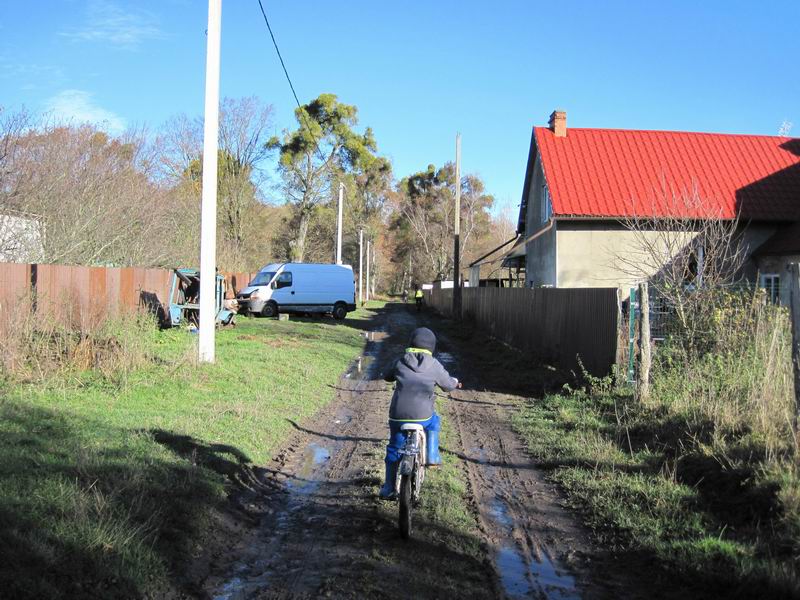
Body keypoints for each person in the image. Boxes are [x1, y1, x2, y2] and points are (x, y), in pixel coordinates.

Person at [379, 327, 461, 498]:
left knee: (394, 449)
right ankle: (432, 456)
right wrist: (455, 382)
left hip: (398, 416)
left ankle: (388, 488)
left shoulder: (401, 361)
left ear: (411, 343)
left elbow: (387, 376)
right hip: (423, 416)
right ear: (432, 347)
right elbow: (447, 385)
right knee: (434, 422)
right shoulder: (435, 365)